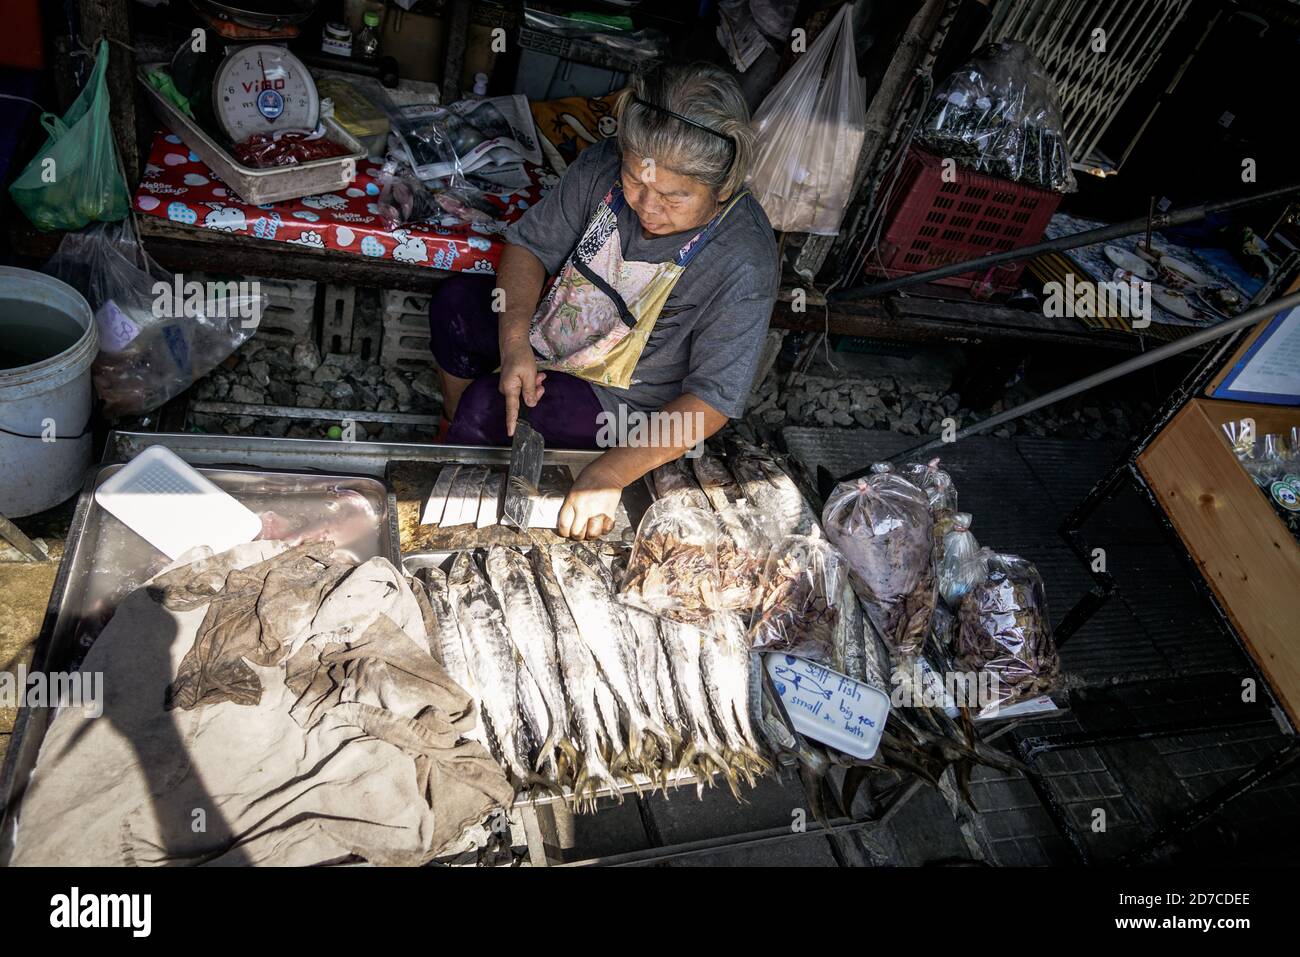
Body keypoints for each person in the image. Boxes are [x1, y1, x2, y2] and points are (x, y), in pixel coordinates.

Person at [428, 62, 778, 540]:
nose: (648, 207)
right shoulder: (604, 167)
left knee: (488, 407)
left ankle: (464, 510)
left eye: (673, 198)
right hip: (558, 329)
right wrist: (514, 344)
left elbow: (711, 401)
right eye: (637, 181)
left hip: (625, 400)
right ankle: (442, 445)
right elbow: (529, 247)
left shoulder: (744, 258)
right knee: (456, 308)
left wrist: (611, 474)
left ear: (722, 188)